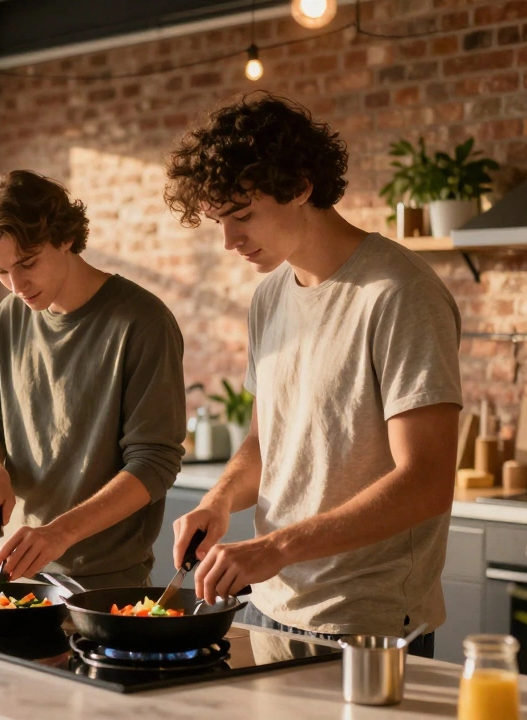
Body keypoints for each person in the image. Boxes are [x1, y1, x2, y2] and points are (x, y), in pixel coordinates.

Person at [163, 94, 461, 656]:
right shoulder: (269, 297)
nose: (229, 241)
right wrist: (219, 502)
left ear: (300, 186)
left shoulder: (399, 294)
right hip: (267, 608)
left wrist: (275, 547)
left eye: (243, 215)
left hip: (367, 626)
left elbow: (426, 481)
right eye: (219, 221)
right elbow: (265, 440)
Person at [0, 170, 186, 588]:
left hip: (106, 584)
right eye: (1, 272)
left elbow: (154, 463)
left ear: (64, 238)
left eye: (27, 263)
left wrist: (59, 533)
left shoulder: (142, 321)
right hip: (10, 572)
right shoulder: (11, 316)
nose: (16, 286)